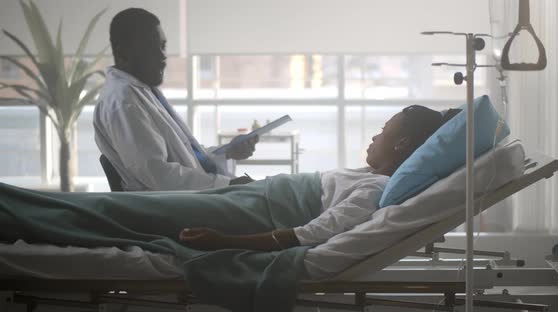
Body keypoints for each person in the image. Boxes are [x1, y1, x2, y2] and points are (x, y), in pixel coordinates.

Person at [1, 106, 458, 255]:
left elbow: (310, 234)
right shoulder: (368, 176)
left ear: (402, 147)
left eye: (387, 129)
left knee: (114, 212)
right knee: (115, 210)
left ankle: (12, 214)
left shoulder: (377, 189)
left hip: (250, 213)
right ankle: (14, 209)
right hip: (251, 197)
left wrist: (224, 239)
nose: (377, 133)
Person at [93, 8, 257, 192]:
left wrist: (227, 152)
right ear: (123, 54)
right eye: (151, 48)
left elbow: (188, 156)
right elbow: (157, 174)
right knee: (278, 195)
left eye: (162, 46)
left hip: (188, 197)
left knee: (276, 192)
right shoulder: (123, 101)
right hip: (174, 208)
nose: (163, 56)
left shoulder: (142, 91)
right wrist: (227, 184)